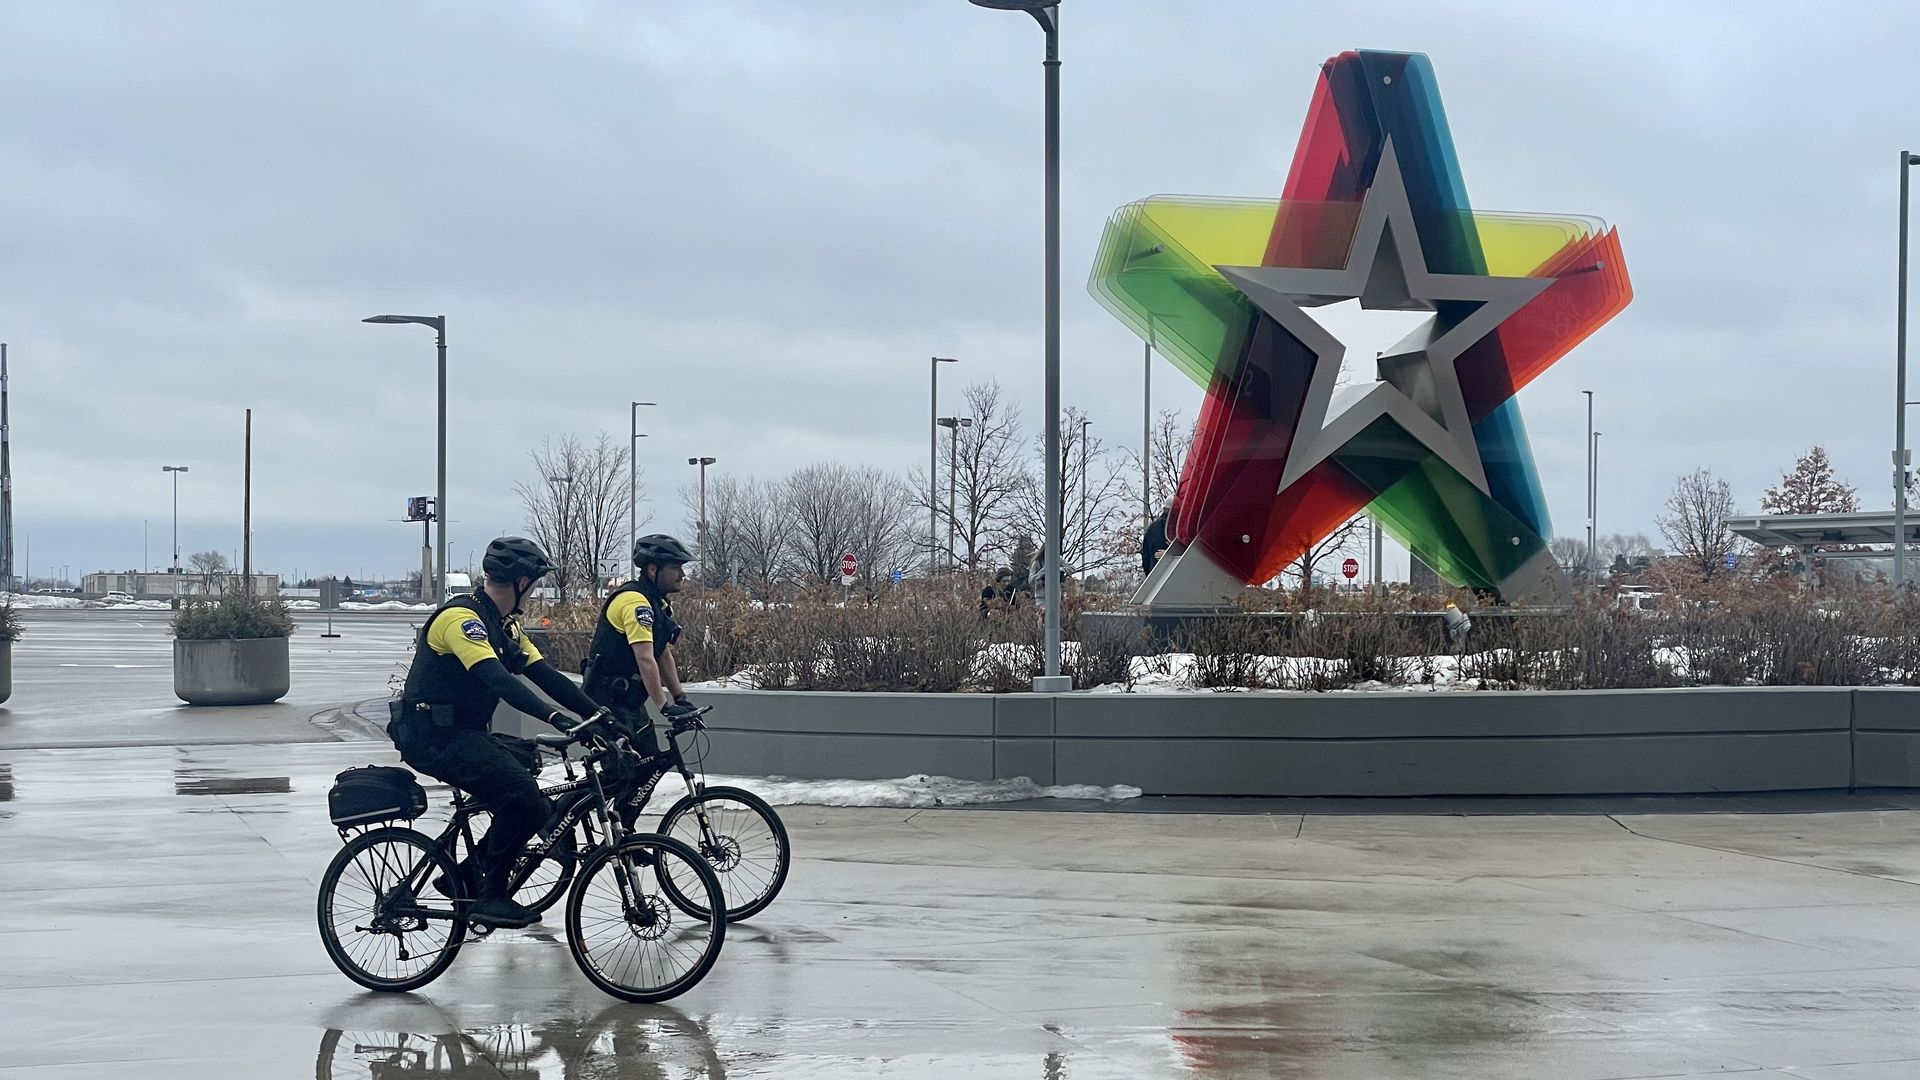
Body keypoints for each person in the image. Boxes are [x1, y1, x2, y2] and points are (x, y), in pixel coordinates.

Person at [389, 536, 611, 929]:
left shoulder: (503, 626)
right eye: (536, 582)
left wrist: (601, 717)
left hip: (464, 734)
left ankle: (464, 876)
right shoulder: (463, 620)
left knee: (526, 778)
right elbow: (499, 682)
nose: (537, 589)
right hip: (432, 739)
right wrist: (556, 718)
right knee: (524, 800)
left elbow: (546, 676)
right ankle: (490, 896)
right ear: (522, 581)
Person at [581, 534, 702, 766]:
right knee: (620, 774)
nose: (682, 575)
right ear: (653, 570)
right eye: (676, 568)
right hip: (606, 701)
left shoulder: (656, 603)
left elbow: (662, 653)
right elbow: (645, 658)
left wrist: (681, 698)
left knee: (649, 763)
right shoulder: (634, 602)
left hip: (630, 702)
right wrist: (664, 706)